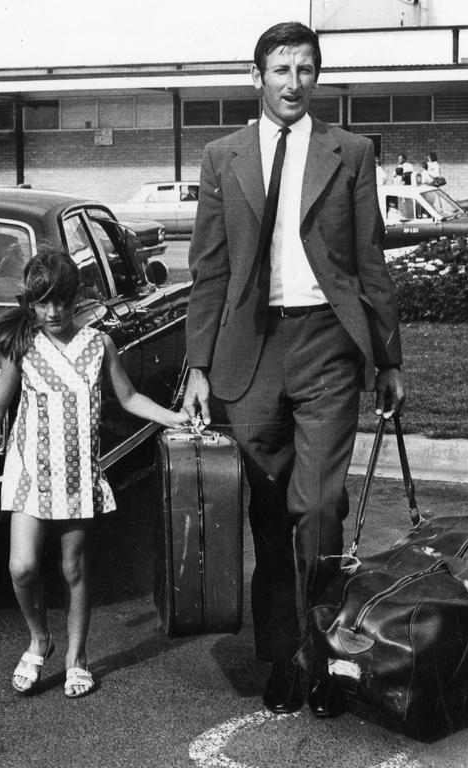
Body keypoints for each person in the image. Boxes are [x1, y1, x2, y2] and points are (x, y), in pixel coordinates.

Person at [182, 21, 404, 720]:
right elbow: (209, 269)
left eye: (306, 68)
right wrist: (196, 364)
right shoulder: (223, 156)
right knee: (270, 515)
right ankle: (284, 657)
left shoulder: (350, 153)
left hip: (327, 346)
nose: (293, 81)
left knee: (319, 506)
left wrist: (388, 358)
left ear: (317, 77)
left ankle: (326, 658)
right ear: (258, 77)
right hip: (249, 352)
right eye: (280, 69)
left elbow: (370, 261)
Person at [0, 248, 188, 698]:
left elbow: (128, 399)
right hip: (29, 474)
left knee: (74, 569)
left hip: (77, 477)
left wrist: (173, 417)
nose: (52, 312)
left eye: (61, 302)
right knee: (22, 566)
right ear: (30, 303)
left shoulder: (97, 344)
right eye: (42, 303)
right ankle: (39, 639)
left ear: (77, 299)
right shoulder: (23, 346)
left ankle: (77, 656)